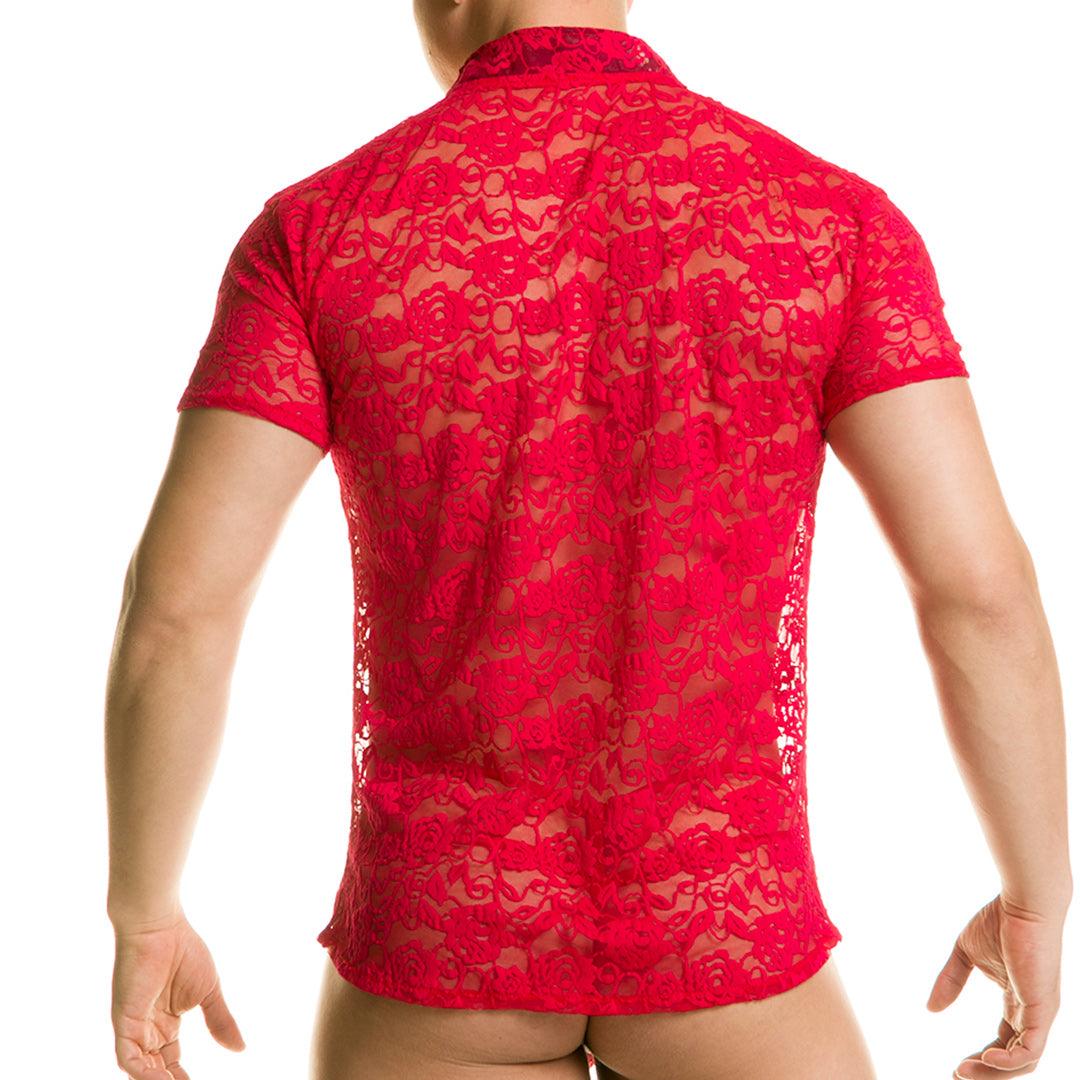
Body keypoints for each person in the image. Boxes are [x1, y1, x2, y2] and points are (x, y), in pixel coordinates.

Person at [104, 1, 1072, 1078]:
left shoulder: (319, 230)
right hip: (722, 922)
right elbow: (979, 594)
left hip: (442, 930)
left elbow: (178, 611)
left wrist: (145, 915)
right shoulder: (833, 220)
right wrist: (1036, 899)